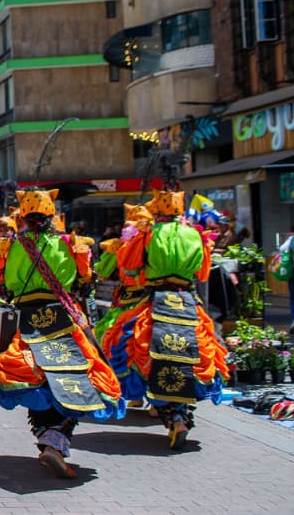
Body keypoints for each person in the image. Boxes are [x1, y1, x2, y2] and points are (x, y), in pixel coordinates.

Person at [0, 189, 124, 478]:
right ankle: (55, 438)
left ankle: (48, 436)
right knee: (78, 376)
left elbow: (0, 283)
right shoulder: (71, 244)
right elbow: (86, 279)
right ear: (51, 215)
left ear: (22, 215)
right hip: (61, 316)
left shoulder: (8, 247)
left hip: (24, 320)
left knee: (36, 378)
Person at [102, 190, 230, 449]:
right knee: (193, 351)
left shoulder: (148, 235)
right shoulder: (195, 234)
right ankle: (179, 417)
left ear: (157, 212)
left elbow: (129, 269)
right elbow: (202, 273)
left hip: (156, 300)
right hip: (187, 301)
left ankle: (172, 416)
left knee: (135, 348)